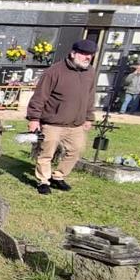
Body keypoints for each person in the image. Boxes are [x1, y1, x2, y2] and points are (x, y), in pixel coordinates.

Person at [26, 39, 97, 195]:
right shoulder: (54, 71)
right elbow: (40, 97)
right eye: (84, 54)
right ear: (73, 54)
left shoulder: (90, 73)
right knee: (46, 153)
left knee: (76, 150)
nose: (88, 58)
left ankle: (58, 176)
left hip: (75, 124)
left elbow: (90, 96)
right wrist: (34, 119)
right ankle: (43, 181)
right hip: (53, 123)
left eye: (90, 55)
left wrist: (89, 117)